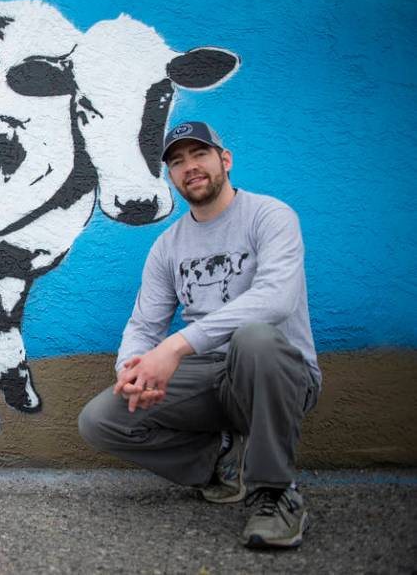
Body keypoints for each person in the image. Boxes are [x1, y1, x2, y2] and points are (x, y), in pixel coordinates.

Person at [77, 121, 321, 549]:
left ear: (224, 160)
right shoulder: (168, 246)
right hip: (209, 377)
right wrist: (131, 372)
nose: (190, 167)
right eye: (177, 161)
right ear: (170, 176)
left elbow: (276, 300)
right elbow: (144, 326)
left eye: (199, 154)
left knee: (254, 338)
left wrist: (175, 347)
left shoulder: (271, 216)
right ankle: (223, 463)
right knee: (101, 421)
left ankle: (278, 495)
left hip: (274, 370)